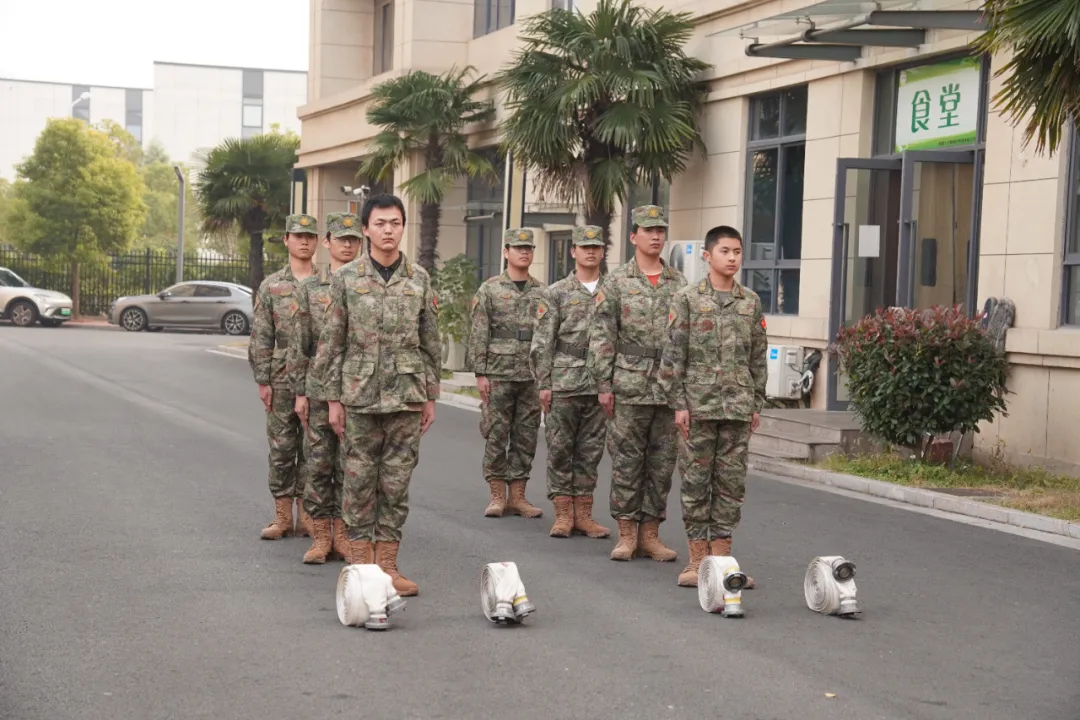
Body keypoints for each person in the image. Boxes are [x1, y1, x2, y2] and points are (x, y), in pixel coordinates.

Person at [313, 194, 439, 597]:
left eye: (395, 223)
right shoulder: (347, 278)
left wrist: (430, 395)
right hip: (359, 394)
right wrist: (333, 399)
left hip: (406, 394)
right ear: (366, 229)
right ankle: (361, 567)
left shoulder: (419, 278)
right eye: (380, 223)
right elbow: (332, 342)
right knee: (358, 483)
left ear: (403, 227)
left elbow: (429, 341)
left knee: (396, 485)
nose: (388, 230)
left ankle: (388, 567)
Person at [658, 226, 767, 588]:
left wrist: (756, 401)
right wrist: (678, 404)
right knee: (695, 483)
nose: (732, 258)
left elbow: (757, 355)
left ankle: (722, 562)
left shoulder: (750, 301)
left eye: (737, 251)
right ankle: (697, 561)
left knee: (730, 485)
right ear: (707, 256)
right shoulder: (687, 299)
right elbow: (673, 356)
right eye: (725, 251)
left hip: (737, 407)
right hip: (698, 407)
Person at [588, 205, 686, 562]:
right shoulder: (616, 282)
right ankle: (627, 533)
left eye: (660, 230)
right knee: (627, 462)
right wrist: (604, 383)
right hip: (628, 383)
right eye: (648, 230)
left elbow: (687, 339)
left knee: (661, 464)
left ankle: (651, 534)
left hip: (668, 387)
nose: (656, 236)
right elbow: (602, 334)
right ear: (634, 236)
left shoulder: (679, 283)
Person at [289, 212, 363, 564]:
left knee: (350, 466)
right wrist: (300, 392)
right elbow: (299, 344)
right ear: (327, 242)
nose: (347, 245)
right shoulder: (309, 289)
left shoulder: (366, 286)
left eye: (353, 240)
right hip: (318, 390)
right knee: (318, 465)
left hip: (357, 389)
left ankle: (344, 536)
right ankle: (320, 537)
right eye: (341, 239)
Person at [529, 225, 610, 539]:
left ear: (602, 251)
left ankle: (584, 514)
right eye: (584, 247)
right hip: (564, 380)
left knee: (591, 451)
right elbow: (542, 341)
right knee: (560, 448)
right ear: (573, 251)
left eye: (596, 247)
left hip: (600, 383)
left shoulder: (613, 291)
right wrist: (544, 382)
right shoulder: (556, 292)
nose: (590, 251)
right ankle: (563, 514)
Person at [466, 228, 547, 520]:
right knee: (496, 433)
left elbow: (548, 335)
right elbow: (479, 332)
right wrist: (480, 373)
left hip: (531, 375)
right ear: (506, 252)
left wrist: (547, 375)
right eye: (517, 248)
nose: (524, 252)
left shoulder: (543, 292)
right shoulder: (490, 289)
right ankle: (497, 495)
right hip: (498, 373)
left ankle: (519, 496)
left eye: (528, 248)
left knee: (526, 435)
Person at [249, 214, 318, 540]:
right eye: (298, 235)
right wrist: (263, 380)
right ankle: (281, 516)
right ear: (287, 240)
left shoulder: (329, 283)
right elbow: (262, 335)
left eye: (310, 236)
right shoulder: (272, 285)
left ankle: (306, 516)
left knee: (312, 449)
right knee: (281, 447)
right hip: (280, 377)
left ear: (317, 241)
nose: (304, 241)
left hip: (317, 377)